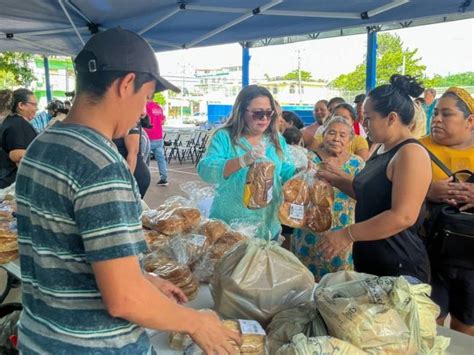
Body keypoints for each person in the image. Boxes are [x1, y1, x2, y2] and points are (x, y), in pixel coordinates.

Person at [15, 28, 240, 354]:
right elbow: (122, 299)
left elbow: (65, 255)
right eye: (146, 97)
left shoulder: (42, 145)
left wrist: (140, 278)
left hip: (39, 338)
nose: (144, 111)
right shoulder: (102, 165)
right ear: (125, 84)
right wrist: (195, 322)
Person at [317, 75, 432, 283]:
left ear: (391, 118)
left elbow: (403, 216)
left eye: (368, 118)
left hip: (399, 268)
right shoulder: (381, 147)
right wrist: (336, 179)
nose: (363, 124)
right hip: (372, 260)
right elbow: (371, 195)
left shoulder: (411, 154)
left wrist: (347, 234)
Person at [197, 84, 296, 239]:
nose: (264, 118)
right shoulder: (225, 137)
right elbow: (206, 169)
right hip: (231, 226)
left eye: (269, 113)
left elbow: (282, 169)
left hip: (267, 224)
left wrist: (299, 172)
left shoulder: (275, 139)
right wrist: (242, 161)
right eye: (258, 113)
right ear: (241, 112)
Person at [420, 87, 474, 335]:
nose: (437, 119)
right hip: (430, 257)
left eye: (446, 114)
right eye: (435, 113)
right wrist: (427, 192)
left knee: (467, 327)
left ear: (470, 121)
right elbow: (391, 192)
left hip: (471, 263)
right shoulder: (417, 149)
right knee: (429, 325)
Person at [292, 116, 364, 281]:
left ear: (350, 139)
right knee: (306, 281)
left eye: (342, 135)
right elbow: (295, 190)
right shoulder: (307, 159)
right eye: (332, 133)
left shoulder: (357, 164)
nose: (336, 138)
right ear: (323, 135)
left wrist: (340, 175)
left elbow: (363, 194)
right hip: (308, 230)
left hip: (342, 232)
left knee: (339, 283)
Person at [0, 88, 38, 188]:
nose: (36, 109)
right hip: (14, 183)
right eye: (34, 104)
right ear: (21, 105)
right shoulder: (18, 124)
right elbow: (18, 155)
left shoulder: (11, 121)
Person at [113, 121, 151, 198]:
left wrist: (127, 182)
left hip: (133, 174)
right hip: (118, 174)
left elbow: (133, 153)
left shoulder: (129, 117)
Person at [145, 98, 168, 186]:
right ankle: (164, 178)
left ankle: (144, 178)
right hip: (159, 136)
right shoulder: (158, 107)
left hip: (149, 136)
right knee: (161, 159)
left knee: (144, 159)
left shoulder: (146, 106)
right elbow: (162, 121)